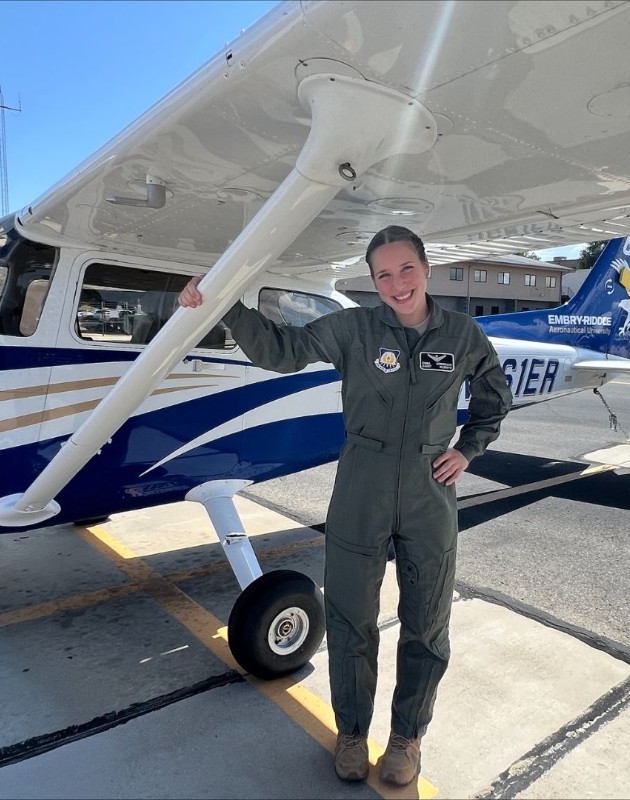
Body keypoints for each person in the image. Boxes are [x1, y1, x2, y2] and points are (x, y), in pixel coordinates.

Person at [179, 226, 512, 786]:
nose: (397, 283)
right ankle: (352, 733)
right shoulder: (354, 329)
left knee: (426, 625)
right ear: (374, 281)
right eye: (383, 274)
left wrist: (467, 450)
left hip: (431, 490)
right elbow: (282, 352)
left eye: (406, 269)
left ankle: (407, 738)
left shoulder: (461, 334)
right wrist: (224, 306)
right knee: (351, 620)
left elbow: (493, 396)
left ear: (426, 269)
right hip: (362, 484)